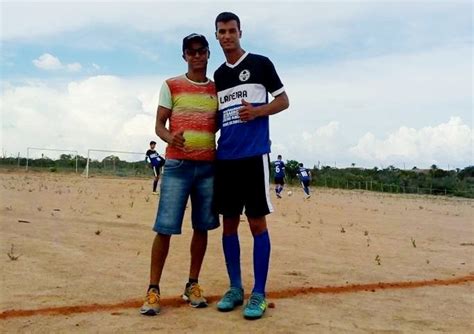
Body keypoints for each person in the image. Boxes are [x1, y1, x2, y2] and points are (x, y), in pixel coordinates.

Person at [213, 12, 290, 320]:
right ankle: (235, 288)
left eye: (232, 30)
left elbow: (284, 101)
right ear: (217, 36)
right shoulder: (218, 76)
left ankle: (258, 292)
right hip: (226, 159)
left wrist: (258, 111)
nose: (227, 36)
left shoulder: (261, 64)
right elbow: (216, 118)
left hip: (254, 156)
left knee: (257, 224)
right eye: (222, 32)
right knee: (229, 224)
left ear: (240, 32)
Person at [140, 33, 219, 316]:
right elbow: (159, 125)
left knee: (202, 226)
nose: (197, 56)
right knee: (165, 227)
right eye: (191, 51)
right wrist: (171, 138)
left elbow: (218, 124)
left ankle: (192, 284)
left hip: (208, 168)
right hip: (177, 168)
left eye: (202, 51)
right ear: (184, 55)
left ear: (209, 54)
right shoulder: (171, 85)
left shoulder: (217, 88)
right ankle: (153, 290)